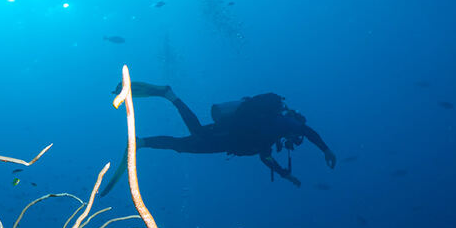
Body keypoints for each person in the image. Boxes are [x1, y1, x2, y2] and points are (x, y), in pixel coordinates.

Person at [105, 81, 335, 192]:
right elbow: (307, 131)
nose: (294, 141)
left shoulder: (274, 133)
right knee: (196, 134)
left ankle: (142, 142)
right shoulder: (283, 122)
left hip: (229, 141)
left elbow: (265, 157)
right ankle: (170, 95)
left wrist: (284, 174)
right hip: (229, 134)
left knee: (185, 147)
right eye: (296, 138)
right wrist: (325, 149)